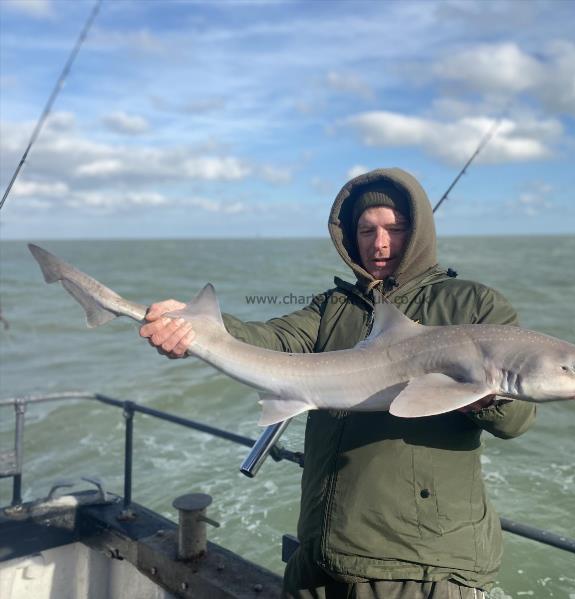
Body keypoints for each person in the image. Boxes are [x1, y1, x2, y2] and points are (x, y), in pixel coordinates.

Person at [140, 167, 536, 598]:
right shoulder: (333, 307)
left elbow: (516, 419)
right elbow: (272, 340)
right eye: (366, 230)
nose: (379, 243)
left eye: (395, 228)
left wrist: (476, 393)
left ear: (419, 231)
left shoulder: (473, 304)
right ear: (349, 237)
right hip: (320, 554)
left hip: (419, 563)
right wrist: (198, 328)